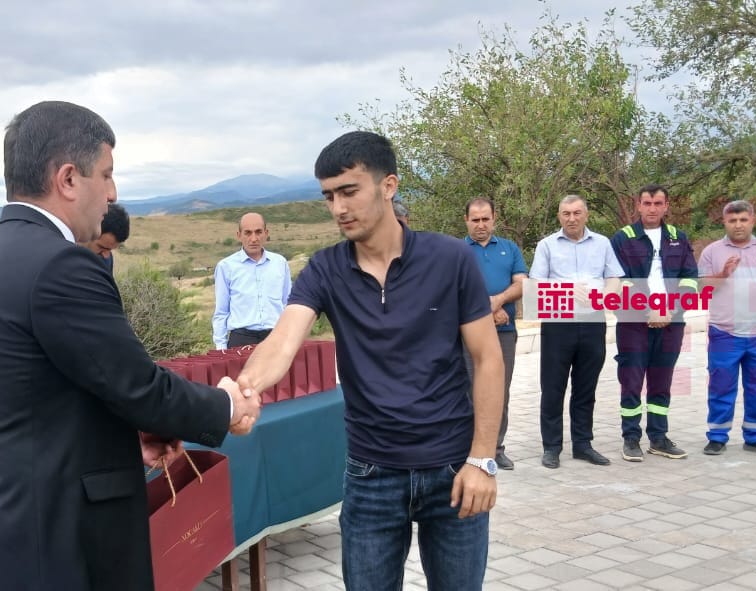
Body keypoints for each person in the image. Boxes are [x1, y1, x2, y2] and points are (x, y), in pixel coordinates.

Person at [0, 101, 258, 591]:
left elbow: (46, 396)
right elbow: (137, 385)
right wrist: (225, 405)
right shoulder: (60, 265)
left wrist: (124, 437)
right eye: (107, 174)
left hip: (14, 531)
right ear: (68, 179)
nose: (113, 193)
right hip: (59, 544)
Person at [237, 131, 503, 590]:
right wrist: (242, 389)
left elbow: (488, 359)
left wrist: (483, 460)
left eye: (349, 191)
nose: (338, 208)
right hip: (370, 473)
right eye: (328, 196)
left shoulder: (450, 259)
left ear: (388, 186)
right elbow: (282, 341)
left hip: (453, 469)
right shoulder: (325, 269)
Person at [530, 195, 624, 469]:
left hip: (593, 321)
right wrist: (568, 290)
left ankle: (583, 444)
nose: (572, 218)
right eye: (566, 213)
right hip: (558, 322)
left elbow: (614, 276)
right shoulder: (546, 245)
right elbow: (536, 284)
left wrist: (607, 295)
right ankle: (552, 447)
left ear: (586, 214)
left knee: (586, 387)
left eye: (577, 213)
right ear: (559, 216)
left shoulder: (602, 243)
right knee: (553, 387)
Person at [609, 184, 697, 462]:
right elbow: (619, 281)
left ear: (666, 206)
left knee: (662, 381)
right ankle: (631, 438)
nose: (652, 208)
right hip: (634, 323)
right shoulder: (623, 238)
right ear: (638, 205)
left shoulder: (678, 238)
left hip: (671, 322)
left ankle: (658, 438)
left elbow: (690, 279)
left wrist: (670, 310)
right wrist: (649, 310)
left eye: (658, 203)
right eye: (647, 203)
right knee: (631, 380)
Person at [697, 200, 756, 455]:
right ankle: (717, 436)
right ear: (724, 222)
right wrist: (723, 274)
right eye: (732, 220)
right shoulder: (712, 252)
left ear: (753, 220)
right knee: (721, 387)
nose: (738, 225)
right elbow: (703, 288)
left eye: (743, 219)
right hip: (724, 332)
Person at [462, 198, 526, 470]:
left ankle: (495, 448)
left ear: (494, 219)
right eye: (475, 220)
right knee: (468, 390)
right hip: (468, 335)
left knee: (500, 391)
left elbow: (521, 284)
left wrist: (498, 301)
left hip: (504, 333)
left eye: (485, 219)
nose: (480, 225)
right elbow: (452, 290)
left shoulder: (510, 249)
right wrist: (487, 311)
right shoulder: (456, 251)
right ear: (466, 220)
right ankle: (467, 449)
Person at [211, 212, 292, 349]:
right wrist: (221, 347)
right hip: (241, 340)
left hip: (276, 338)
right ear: (239, 235)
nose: (254, 239)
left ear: (266, 233)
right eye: (248, 233)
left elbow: (287, 304)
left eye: (258, 232)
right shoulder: (226, 267)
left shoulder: (280, 263)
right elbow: (221, 311)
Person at [81, 202, 130, 272]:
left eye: (110, 250)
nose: (106, 256)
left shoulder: (106, 260)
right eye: (101, 247)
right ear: (87, 232)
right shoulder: (66, 258)